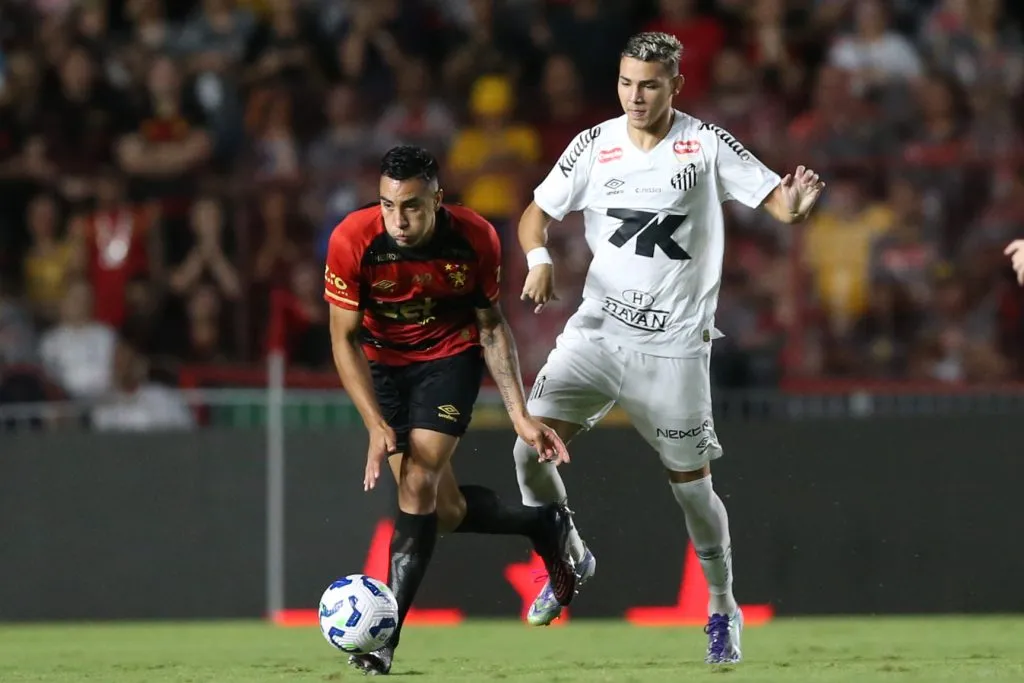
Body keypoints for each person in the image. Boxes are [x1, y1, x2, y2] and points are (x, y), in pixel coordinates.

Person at [513, 32, 825, 664]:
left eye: (650, 84)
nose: (635, 95)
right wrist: (539, 256)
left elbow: (776, 203)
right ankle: (567, 557)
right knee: (527, 450)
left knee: (690, 489)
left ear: (675, 86)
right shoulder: (594, 145)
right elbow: (534, 213)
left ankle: (721, 606)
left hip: (675, 351)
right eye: (627, 82)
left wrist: (794, 208)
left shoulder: (705, 145)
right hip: (597, 334)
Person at [324, 145, 577, 675]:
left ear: (437, 199)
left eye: (412, 206)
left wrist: (520, 416)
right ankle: (542, 523)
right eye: (389, 206)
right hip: (385, 370)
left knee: (416, 485)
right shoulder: (352, 239)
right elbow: (343, 340)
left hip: (448, 360)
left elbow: (491, 327)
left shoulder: (475, 236)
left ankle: (384, 642)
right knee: (446, 511)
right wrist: (375, 423)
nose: (399, 220)